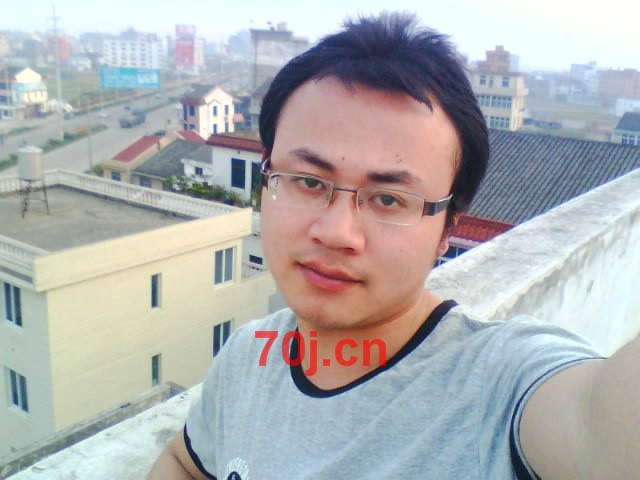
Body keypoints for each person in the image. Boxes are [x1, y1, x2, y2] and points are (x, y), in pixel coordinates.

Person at [148, 12, 639, 479]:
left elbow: (597, 433)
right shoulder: (249, 355)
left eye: (388, 199)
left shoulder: (496, 385)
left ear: (447, 230)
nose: (336, 232)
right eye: (309, 182)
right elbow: (186, 462)